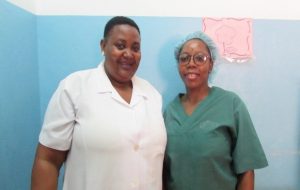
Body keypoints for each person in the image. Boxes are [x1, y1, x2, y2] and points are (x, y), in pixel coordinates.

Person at [31, 16, 167, 190]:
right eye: (120, 45)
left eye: (136, 48)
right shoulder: (74, 87)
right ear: (103, 46)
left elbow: (154, 164)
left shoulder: (152, 95)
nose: (128, 54)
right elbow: (48, 160)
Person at [163, 31, 268, 190]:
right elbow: (163, 171)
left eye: (200, 58)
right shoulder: (170, 111)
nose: (191, 63)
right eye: (184, 58)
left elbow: (246, 170)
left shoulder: (231, 104)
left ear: (211, 64)